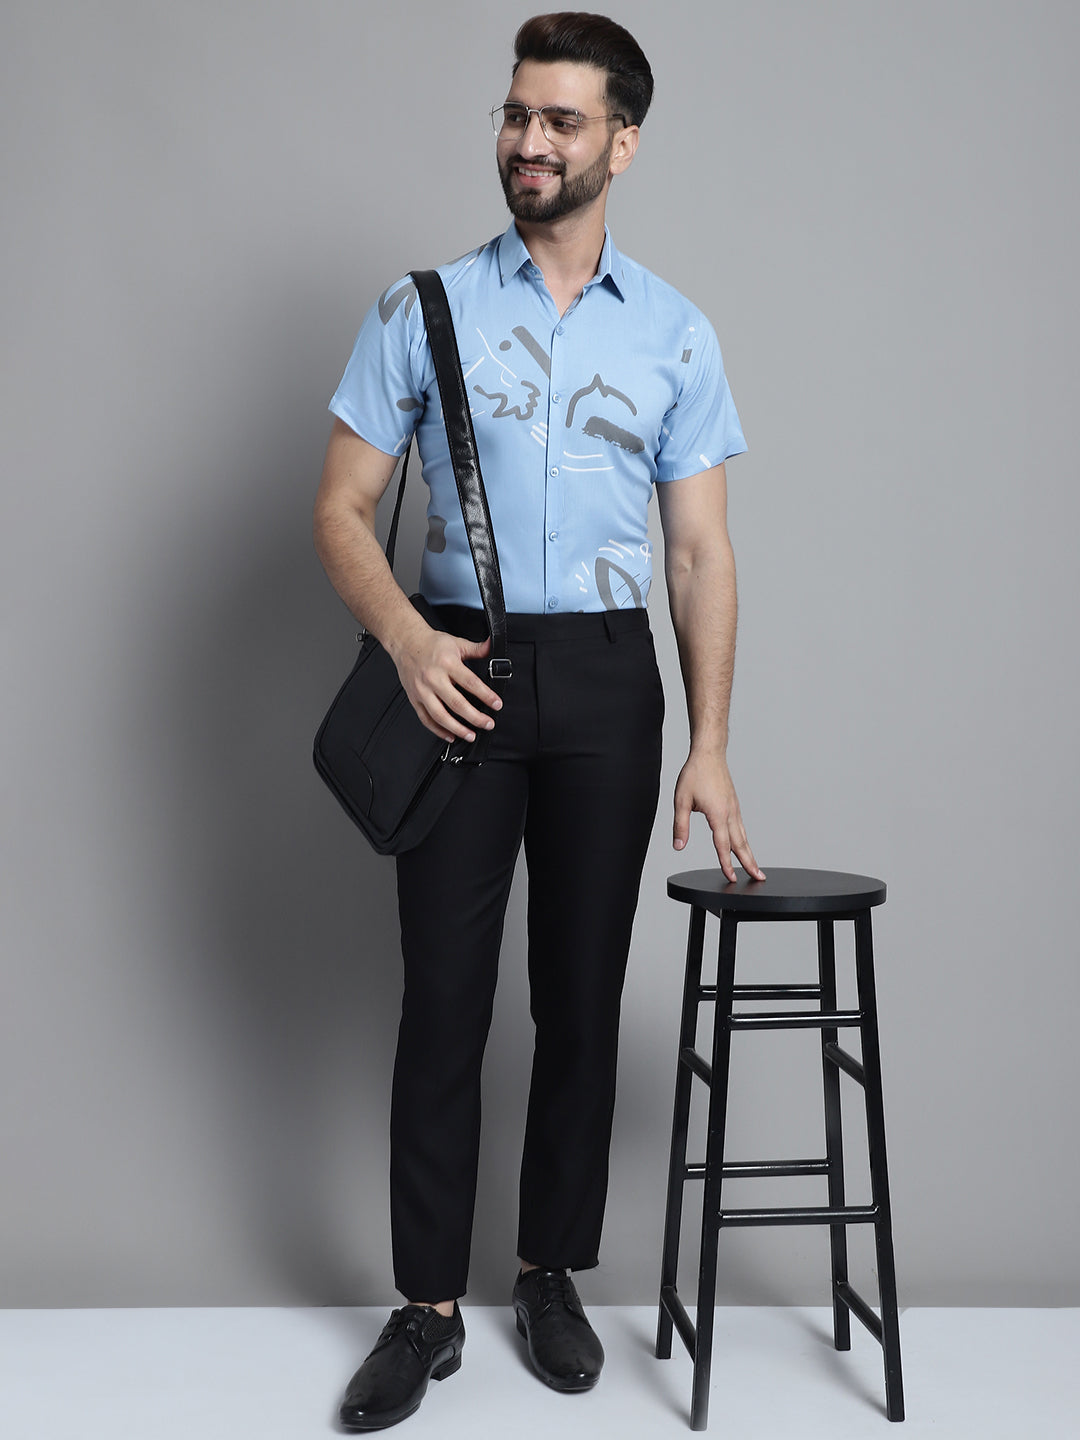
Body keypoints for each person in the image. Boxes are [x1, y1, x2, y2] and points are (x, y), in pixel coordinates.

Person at [313, 11, 763, 1430]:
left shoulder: (676, 331)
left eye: (562, 120)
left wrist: (709, 744)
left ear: (622, 144)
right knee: (444, 999)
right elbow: (340, 510)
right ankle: (426, 1307)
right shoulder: (424, 309)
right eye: (517, 113)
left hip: (610, 682)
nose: (530, 140)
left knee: (580, 994)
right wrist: (407, 641)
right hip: (457, 666)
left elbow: (700, 551)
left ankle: (549, 1272)